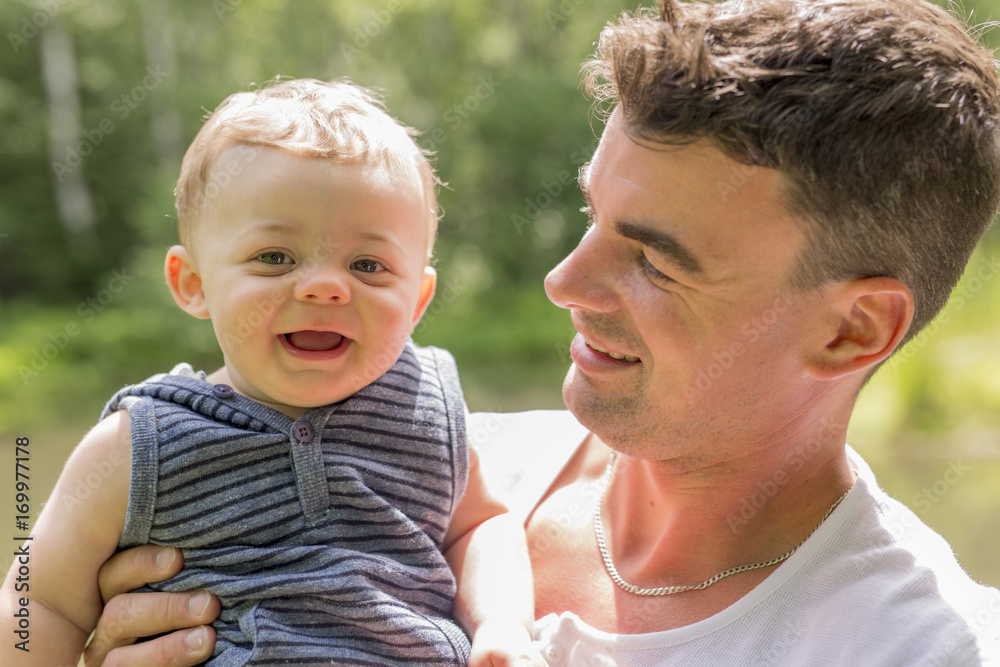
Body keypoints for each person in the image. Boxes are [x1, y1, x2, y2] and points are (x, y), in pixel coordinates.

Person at [61, 0, 1000, 664]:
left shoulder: (924, 647)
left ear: (852, 330)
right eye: (592, 216)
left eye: (655, 258)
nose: (563, 280)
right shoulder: (437, 454)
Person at [0, 78, 544, 666]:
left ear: (417, 300)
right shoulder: (143, 443)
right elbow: (40, 599)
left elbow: (482, 526)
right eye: (274, 257)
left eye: (368, 264)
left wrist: (503, 624)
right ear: (194, 283)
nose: (325, 286)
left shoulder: (429, 409)